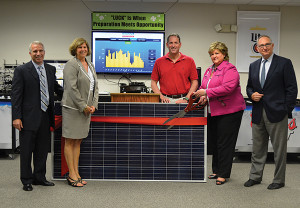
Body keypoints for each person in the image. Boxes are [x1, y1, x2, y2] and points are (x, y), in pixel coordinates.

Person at [244, 35, 298, 190]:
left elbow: (292, 88)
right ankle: (255, 177)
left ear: (272, 45)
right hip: (258, 112)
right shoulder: (253, 65)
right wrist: (251, 94)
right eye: (261, 45)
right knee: (257, 148)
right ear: (257, 48)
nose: (264, 47)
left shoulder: (284, 63)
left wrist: (286, 109)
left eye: (267, 44)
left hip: (277, 113)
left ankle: (279, 180)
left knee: (279, 150)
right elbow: (249, 87)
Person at [11, 41, 63, 191]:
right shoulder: (21, 70)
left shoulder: (50, 69)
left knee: (42, 150)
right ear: (30, 53)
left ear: (44, 52)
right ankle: (26, 180)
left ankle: (39, 177)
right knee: (26, 150)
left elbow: (57, 88)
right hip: (27, 118)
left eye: (40, 51)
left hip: (46, 115)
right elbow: (16, 95)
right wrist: (16, 117)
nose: (38, 54)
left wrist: (75, 96)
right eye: (35, 51)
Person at [193, 41, 245, 185]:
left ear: (224, 54)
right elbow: (204, 86)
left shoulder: (230, 69)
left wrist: (207, 92)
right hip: (214, 111)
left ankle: (223, 173)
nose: (214, 56)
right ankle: (216, 170)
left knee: (225, 143)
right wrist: (202, 96)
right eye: (212, 54)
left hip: (230, 111)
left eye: (217, 53)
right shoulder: (210, 70)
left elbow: (228, 88)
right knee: (215, 142)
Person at [61, 38, 99, 187]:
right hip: (73, 109)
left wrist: (93, 105)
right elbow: (72, 88)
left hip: (86, 110)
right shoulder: (71, 65)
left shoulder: (90, 64)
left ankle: (76, 173)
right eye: (79, 47)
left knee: (78, 141)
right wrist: (83, 106)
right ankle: (71, 175)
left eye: (85, 47)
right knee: (70, 141)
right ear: (75, 50)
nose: (83, 49)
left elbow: (95, 87)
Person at [151, 33, 198, 103]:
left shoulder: (189, 61)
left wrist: (187, 99)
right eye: (171, 43)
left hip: (183, 100)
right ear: (167, 45)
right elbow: (153, 83)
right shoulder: (159, 62)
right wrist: (161, 97)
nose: (173, 46)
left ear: (180, 45)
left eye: (176, 43)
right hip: (166, 100)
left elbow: (195, 82)